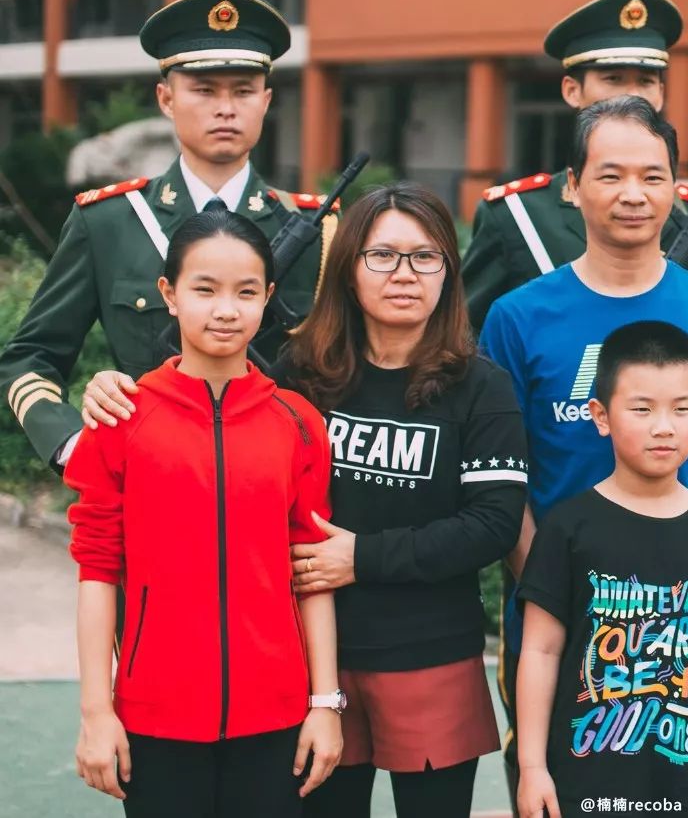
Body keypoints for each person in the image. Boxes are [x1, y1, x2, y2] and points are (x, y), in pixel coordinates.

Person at [82, 183, 528, 818]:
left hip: (428, 651)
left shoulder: (483, 387)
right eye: (382, 256)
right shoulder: (304, 373)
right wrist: (109, 385)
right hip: (313, 661)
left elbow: (493, 524)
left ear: (449, 273)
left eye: (425, 257)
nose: (404, 274)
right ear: (347, 269)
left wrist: (364, 557)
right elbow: (211, 376)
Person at [481, 95, 688, 809]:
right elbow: (502, 479)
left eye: (653, 176)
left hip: (684, 626)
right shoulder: (517, 317)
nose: (633, 194)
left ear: (677, 187)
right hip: (554, 622)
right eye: (611, 174)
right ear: (573, 186)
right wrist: (549, 586)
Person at [65, 209, 343, 818]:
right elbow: (96, 569)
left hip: (276, 721)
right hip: (154, 720)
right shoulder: (122, 421)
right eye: (205, 289)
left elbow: (311, 570)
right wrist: (96, 711)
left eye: (247, 292)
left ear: (269, 298)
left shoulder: (297, 422)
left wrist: (325, 702)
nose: (226, 309)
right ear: (168, 295)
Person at [0, 0, 334, 470]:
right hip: (148, 482)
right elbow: (30, 356)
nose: (225, 108)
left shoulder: (316, 228)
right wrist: (74, 448)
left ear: (266, 101)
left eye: (242, 90)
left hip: (275, 490)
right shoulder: (110, 222)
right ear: (166, 98)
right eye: (203, 90)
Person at [516, 321, 688, 818]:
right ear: (601, 416)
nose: (664, 426)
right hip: (588, 784)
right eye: (642, 409)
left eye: (681, 409)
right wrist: (532, 767)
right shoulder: (567, 529)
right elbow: (539, 651)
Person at [462, 0, 688, 331]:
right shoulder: (516, 215)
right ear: (571, 90)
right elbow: (468, 339)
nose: (632, 94)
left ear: (662, 93)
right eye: (613, 79)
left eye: (646, 81)